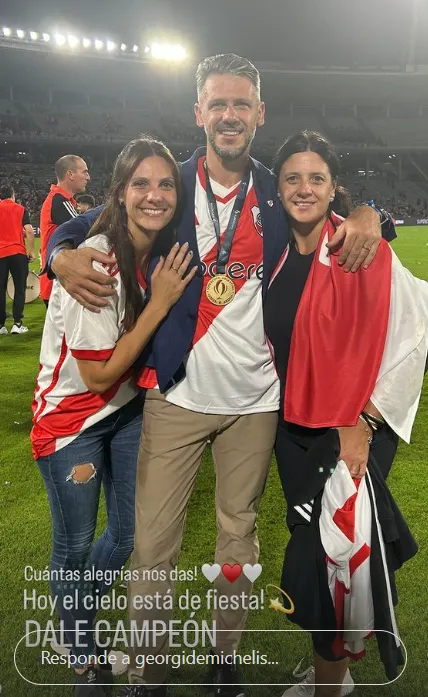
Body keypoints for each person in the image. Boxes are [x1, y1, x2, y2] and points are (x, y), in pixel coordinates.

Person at [46, 54, 389, 697]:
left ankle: (223, 660)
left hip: (257, 402)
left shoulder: (275, 187)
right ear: (198, 112)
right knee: (152, 548)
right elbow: (83, 226)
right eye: (217, 104)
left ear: (259, 114)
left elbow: (343, 214)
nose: (229, 116)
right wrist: (58, 255)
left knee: (237, 541)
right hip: (176, 395)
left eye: (241, 104)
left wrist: (371, 210)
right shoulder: (167, 185)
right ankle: (150, 668)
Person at [263, 131, 428, 697]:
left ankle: (330, 685)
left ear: (333, 186)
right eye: (292, 177)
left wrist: (364, 421)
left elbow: (422, 330)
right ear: (278, 187)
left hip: (349, 431)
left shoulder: (359, 246)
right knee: (312, 541)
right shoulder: (274, 250)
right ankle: (328, 662)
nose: (304, 188)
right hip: (294, 428)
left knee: (331, 555)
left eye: (316, 177)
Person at [32, 138, 197, 697]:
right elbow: (99, 375)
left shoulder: (161, 245)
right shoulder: (99, 257)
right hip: (72, 420)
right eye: (141, 184)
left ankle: (76, 617)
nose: (154, 196)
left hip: (124, 412)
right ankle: (80, 647)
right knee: (74, 546)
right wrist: (160, 302)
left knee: (126, 534)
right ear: (121, 192)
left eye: (165, 184)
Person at [40, 155, 90, 306]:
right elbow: (88, 234)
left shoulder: (60, 200)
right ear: (70, 174)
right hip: (57, 282)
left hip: (58, 281)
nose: (88, 177)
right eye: (85, 172)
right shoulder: (59, 201)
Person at [0, 183, 35, 335]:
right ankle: (17, 324)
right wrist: (31, 250)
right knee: (19, 289)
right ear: (13, 195)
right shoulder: (20, 209)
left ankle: (1, 326)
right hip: (18, 252)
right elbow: (28, 230)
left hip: (0, 253)